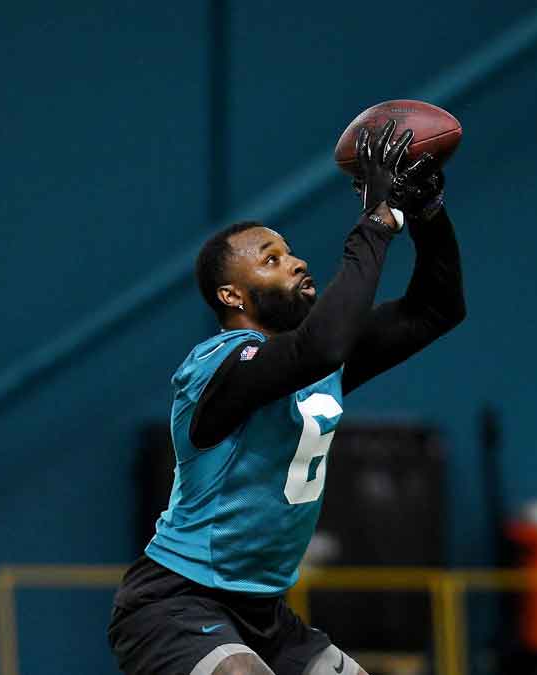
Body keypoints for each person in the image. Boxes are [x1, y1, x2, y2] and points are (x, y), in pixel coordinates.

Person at [107, 120, 465, 675]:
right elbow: (318, 348)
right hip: (175, 603)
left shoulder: (321, 354)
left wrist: (428, 212)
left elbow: (436, 308)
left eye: (291, 252)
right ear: (232, 295)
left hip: (265, 614)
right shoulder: (217, 364)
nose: (296, 262)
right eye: (270, 259)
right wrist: (376, 221)